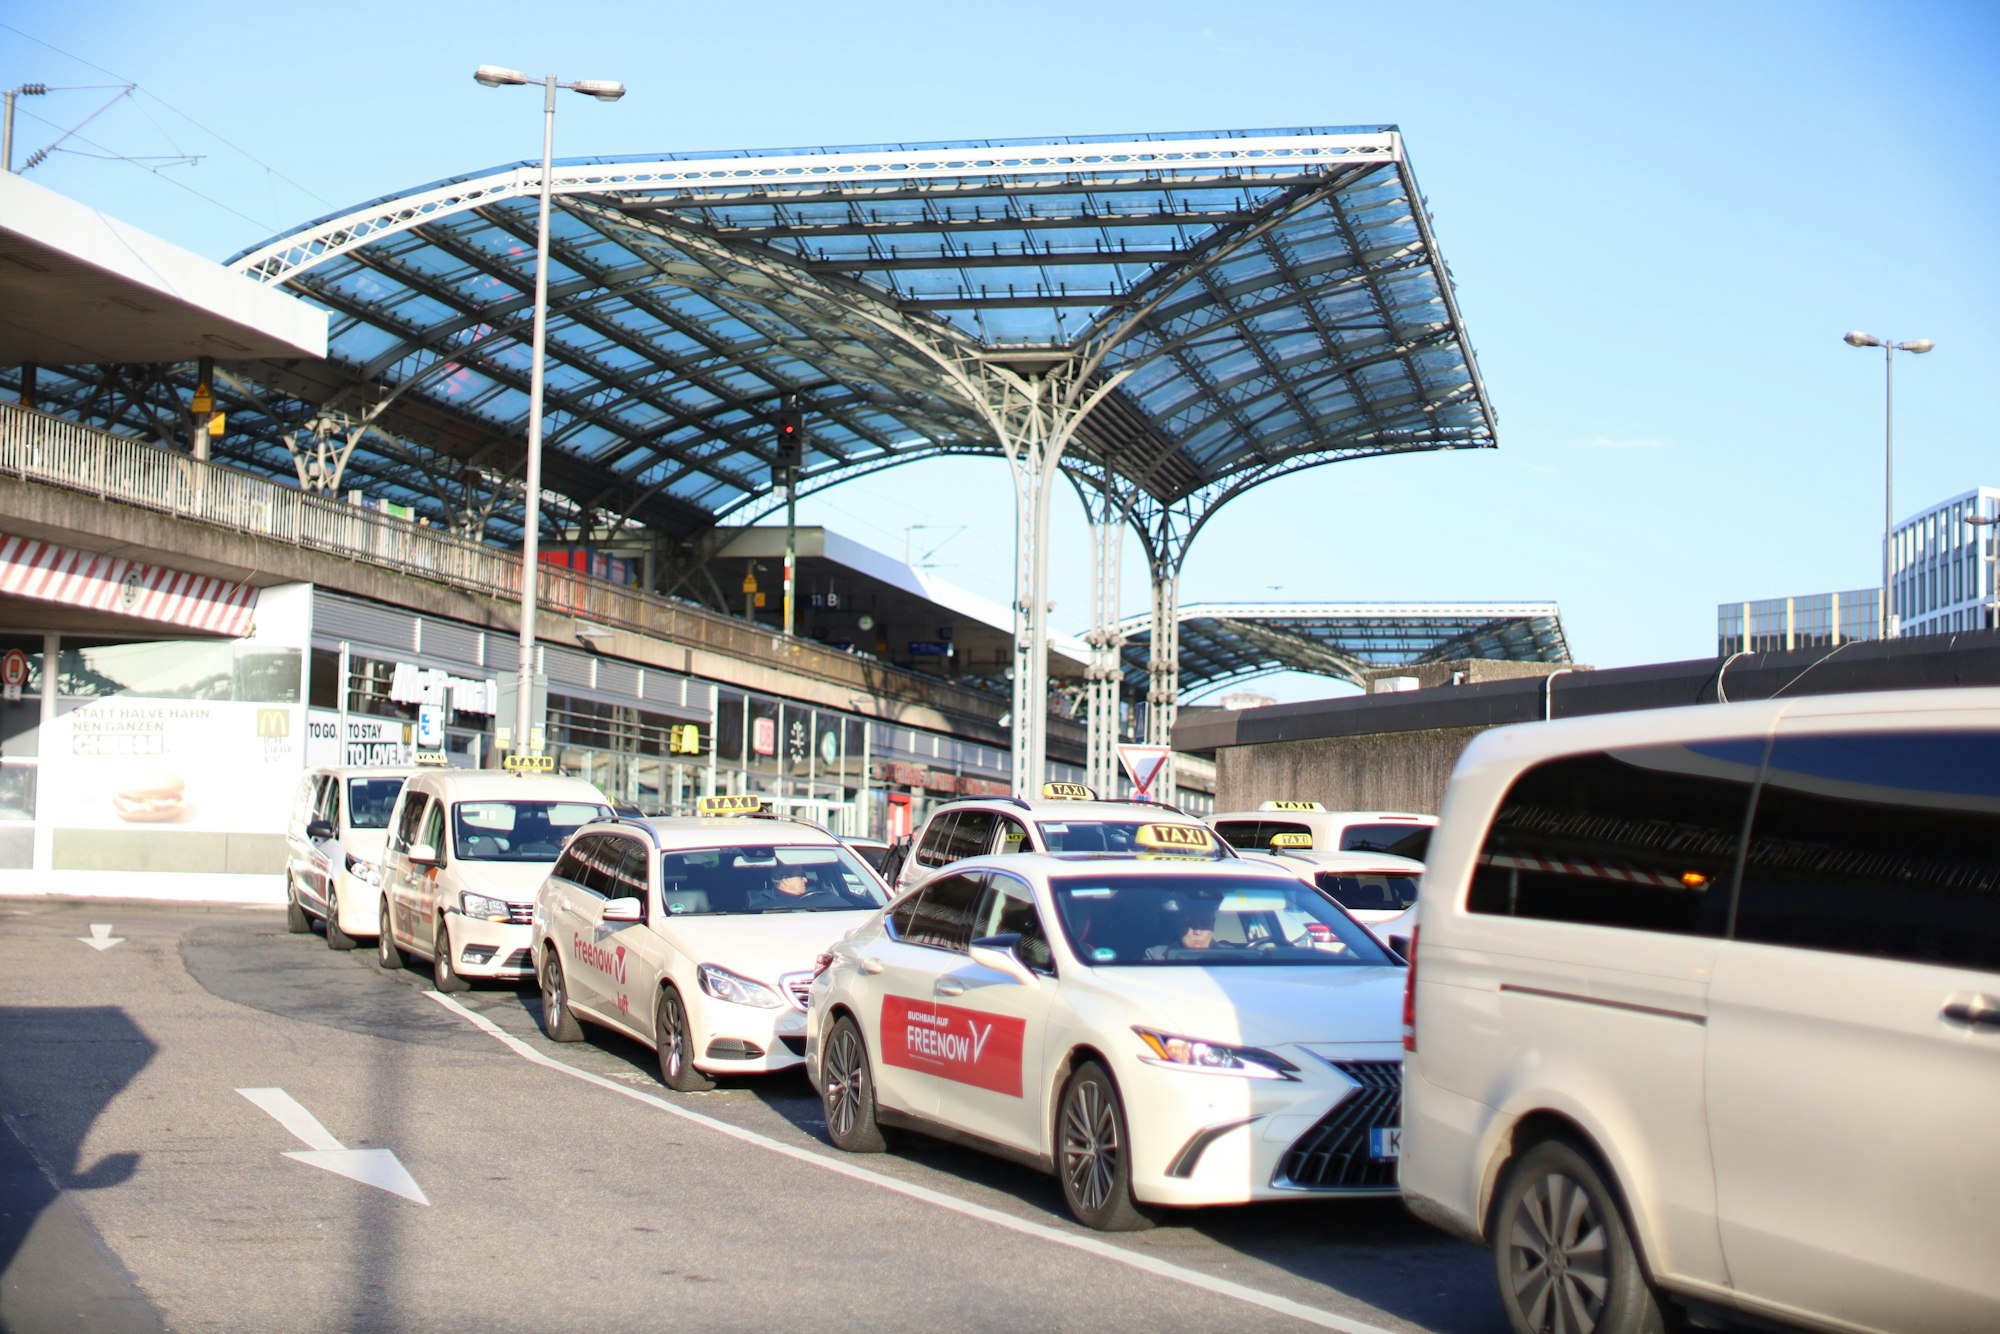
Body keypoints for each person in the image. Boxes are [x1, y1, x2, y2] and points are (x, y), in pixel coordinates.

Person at [747, 862, 846, 910]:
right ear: (785, 879)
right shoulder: (760, 903)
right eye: (801, 876)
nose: (806, 880)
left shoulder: (819, 895)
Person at [1145, 905, 1217, 959]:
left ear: (1213, 925)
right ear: (1179, 926)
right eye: (1189, 924)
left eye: (1205, 923)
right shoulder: (1155, 956)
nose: (1197, 932)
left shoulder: (1227, 954)